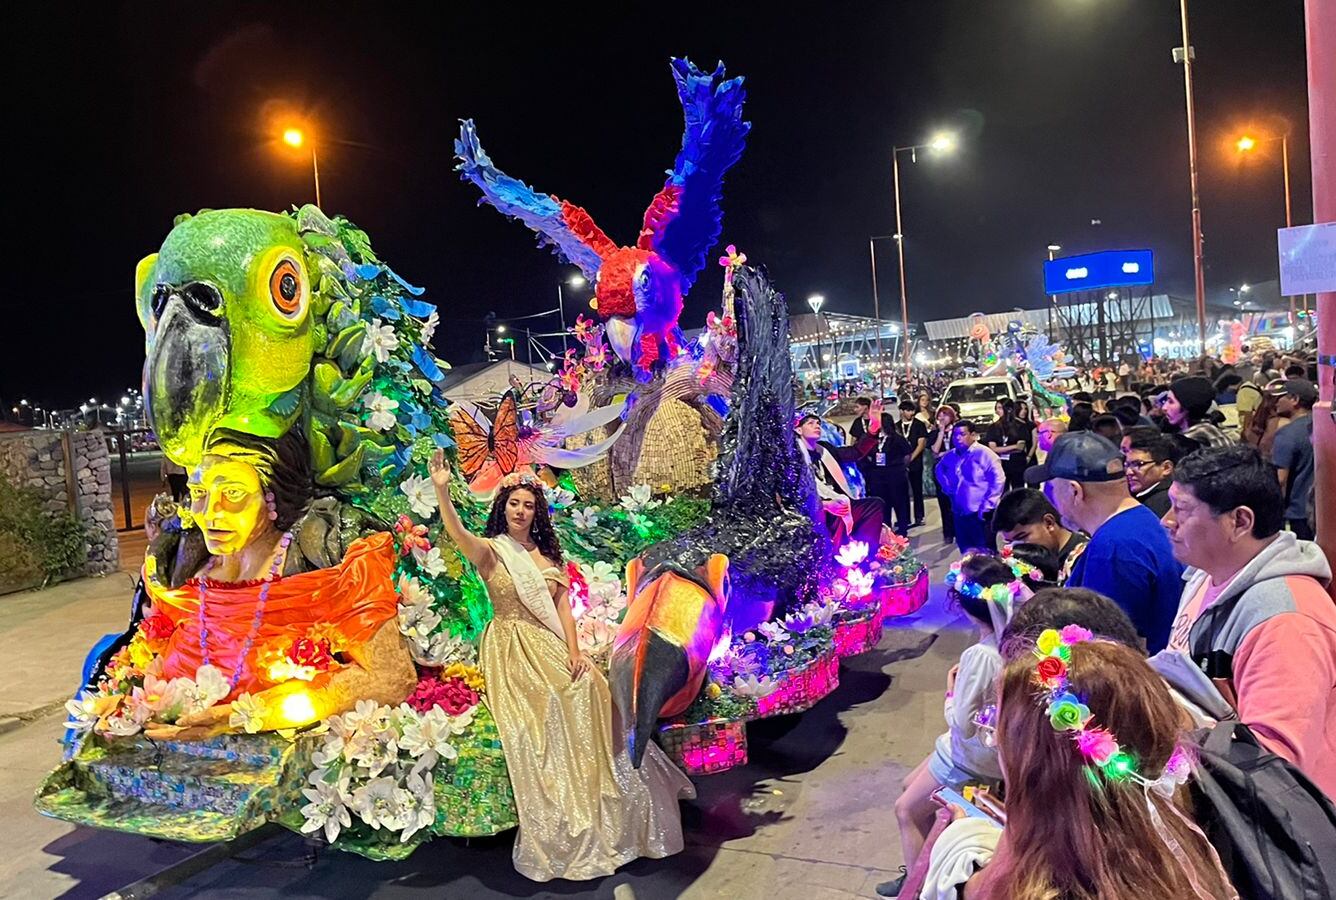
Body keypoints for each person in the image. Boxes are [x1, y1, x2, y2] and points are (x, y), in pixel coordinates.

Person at [429, 452, 693, 881]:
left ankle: (600, 794)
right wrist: (442, 489)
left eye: (528, 505)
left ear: (537, 512)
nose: (520, 511)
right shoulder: (494, 551)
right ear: (503, 507)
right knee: (550, 705)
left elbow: (563, 610)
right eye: (514, 503)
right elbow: (456, 532)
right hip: (511, 646)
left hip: (549, 642)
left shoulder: (548, 555)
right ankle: (565, 804)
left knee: (588, 687)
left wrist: (575, 652)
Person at [955, 636, 1237, 899]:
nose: (995, 743)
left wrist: (961, 843)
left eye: (1000, 733)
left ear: (1042, 771)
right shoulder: (1186, 836)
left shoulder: (1044, 885)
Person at [1161, 445, 1336, 798]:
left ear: (1240, 521)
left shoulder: (1287, 620)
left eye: (1182, 509)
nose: (1167, 520)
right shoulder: (1203, 575)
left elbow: (1272, 765)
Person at [879, 553, 1030, 898]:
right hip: (990, 751)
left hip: (968, 756)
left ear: (966, 608)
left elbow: (962, 724)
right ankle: (921, 862)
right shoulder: (1016, 644)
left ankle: (917, 886)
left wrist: (950, 694)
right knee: (908, 787)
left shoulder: (980, 655)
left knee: (905, 810)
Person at [1025, 432, 1183, 653]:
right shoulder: (1141, 520)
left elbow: (1105, 648)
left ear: (1074, 491)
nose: (1049, 499)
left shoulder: (1113, 548)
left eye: (1051, 488)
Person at [796, 407, 885, 548]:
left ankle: (867, 557)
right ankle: (837, 562)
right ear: (798, 430)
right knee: (835, 515)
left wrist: (872, 430)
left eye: (818, 423)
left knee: (874, 505)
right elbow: (795, 495)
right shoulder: (794, 458)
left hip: (838, 502)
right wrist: (824, 505)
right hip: (815, 509)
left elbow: (855, 452)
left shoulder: (825, 449)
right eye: (810, 423)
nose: (817, 426)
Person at [935, 421, 1006, 553]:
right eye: (955, 435)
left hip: (981, 512)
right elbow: (939, 469)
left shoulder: (985, 454)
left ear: (973, 435)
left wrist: (988, 505)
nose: (957, 438)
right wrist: (947, 487)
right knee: (966, 551)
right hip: (959, 512)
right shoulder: (950, 455)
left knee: (985, 552)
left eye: (962, 434)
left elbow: (998, 481)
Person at [992, 488, 1088, 584]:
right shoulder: (1024, 564)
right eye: (1009, 542)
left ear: (1048, 523)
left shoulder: (1085, 560)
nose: (1015, 547)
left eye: (1021, 537)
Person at [1268, 379, 1317, 540]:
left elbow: (1280, 480)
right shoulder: (1324, 425)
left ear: (1294, 400)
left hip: (1299, 513)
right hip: (1323, 507)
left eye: (1281, 397)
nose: (1276, 402)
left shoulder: (1287, 434)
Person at [857, 404, 914, 537]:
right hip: (878, 476)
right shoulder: (873, 439)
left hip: (895, 475)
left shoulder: (897, 439)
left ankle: (902, 529)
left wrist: (900, 466)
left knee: (900, 502)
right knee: (883, 504)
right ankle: (885, 528)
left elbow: (907, 454)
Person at [1119, 426, 1181, 518]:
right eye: (1127, 465)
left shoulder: (1165, 503)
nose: (1129, 472)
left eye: (1138, 464)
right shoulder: (1138, 497)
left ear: (1166, 468)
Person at [1163, 376, 1235, 449]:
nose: (1164, 407)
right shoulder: (1211, 429)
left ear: (1187, 404)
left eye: (1171, 401)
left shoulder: (1193, 441)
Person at [984, 399, 1031, 492]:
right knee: (1003, 491)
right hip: (1001, 464)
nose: (997, 411)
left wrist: (1003, 449)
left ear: (1008, 409)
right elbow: (993, 448)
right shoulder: (993, 427)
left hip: (1017, 463)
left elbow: (1020, 447)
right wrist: (1013, 447)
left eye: (1000, 408)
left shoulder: (1020, 426)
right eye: (996, 408)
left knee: (1018, 491)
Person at [896, 400, 930, 526]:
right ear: (901, 411)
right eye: (908, 410)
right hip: (901, 465)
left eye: (912, 410)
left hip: (915, 463)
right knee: (902, 492)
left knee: (917, 490)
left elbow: (921, 443)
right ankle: (905, 518)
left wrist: (911, 458)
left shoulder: (918, 425)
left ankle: (919, 516)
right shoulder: (896, 426)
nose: (911, 413)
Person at [929, 405, 959, 545]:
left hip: (957, 470)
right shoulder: (935, 433)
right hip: (941, 470)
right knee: (943, 502)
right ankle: (947, 533)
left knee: (958, 502)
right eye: (939, 415)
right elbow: (934, 450)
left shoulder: (958, 431)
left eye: (945, 415)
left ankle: (959, 530)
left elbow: (960, 449)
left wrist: (943, 454)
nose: (942, 418)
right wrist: (941, 432)